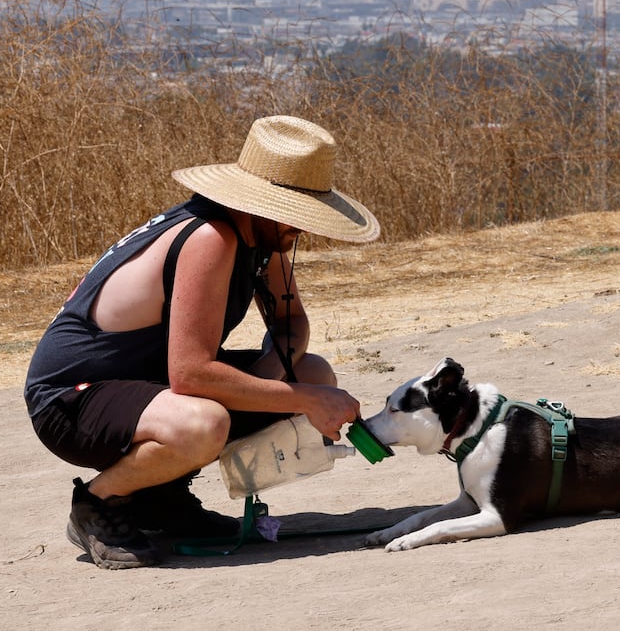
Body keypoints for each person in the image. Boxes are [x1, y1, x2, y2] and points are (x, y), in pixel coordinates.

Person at [24, 116, 379, 569]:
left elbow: (291, 324)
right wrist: (300, 399)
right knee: (204, 422)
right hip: (71, 400)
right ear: (264, 204)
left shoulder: (257, 236)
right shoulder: (211, 237)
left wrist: (279, 381)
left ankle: (160, 500)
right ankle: (99, 504)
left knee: (312, 372)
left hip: (146, 384)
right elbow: (190, 373)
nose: (302, 230)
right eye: (297, 213)